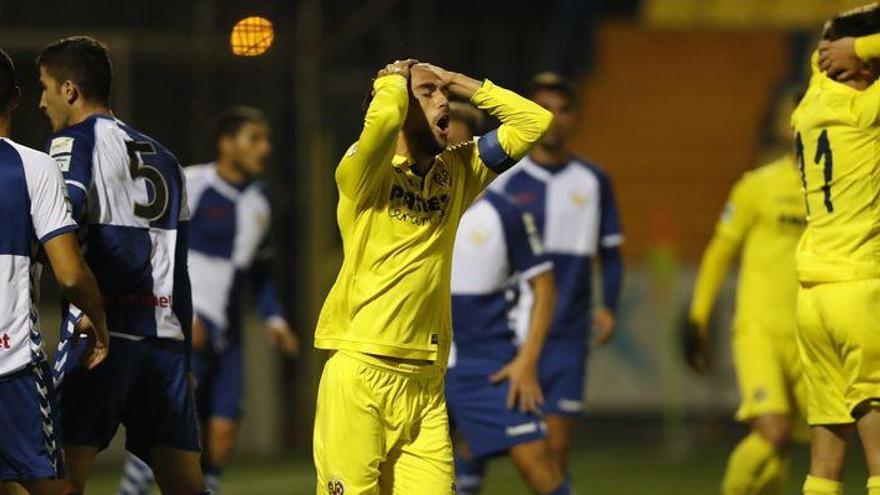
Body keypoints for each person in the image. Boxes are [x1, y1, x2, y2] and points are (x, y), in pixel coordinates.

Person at [312, 59, 552, 493]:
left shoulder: (457, 171)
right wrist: (391, 83)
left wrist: (457, 81)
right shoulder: (365, 171)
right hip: (361, 370)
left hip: (425, 382)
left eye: (445, 93)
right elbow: (383, 122)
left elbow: (534, 121)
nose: (445, 101)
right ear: (400, 105)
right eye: (429, 93)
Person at [37, 36, 206, 494]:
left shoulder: (71, 143)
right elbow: (180, 267)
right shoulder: (166, 158)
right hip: (164, 341)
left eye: (46, 87)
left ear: (69, 89)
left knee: (58, 481)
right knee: (185, 485)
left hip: (101, 336)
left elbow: (58, 222)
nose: (41, 100)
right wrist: (184, 351)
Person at [118, 106, 299, 495]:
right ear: (226, 144)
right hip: (189, 323)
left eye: (267, 140)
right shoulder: (192, 182)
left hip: (229, 333)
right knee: (168, 421)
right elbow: (157, 247)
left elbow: (259, 272)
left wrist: (274, 319)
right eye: (255, 139)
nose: (265, 148)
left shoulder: (259, 202)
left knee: (223, 430)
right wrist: (179, 311)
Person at [490, 72, 624, 475]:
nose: (554, 118)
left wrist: (609, 306)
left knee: (556, 445)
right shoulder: (503, 179)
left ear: (574, 118)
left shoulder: (594, 180)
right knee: (476, 442)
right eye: (544, 109)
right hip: (507, 333)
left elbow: (611, 252)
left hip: (567, 332)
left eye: (563, 110)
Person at [685, 88, 807, 495]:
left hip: (816, 334)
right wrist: (698, 317)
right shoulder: (758, 186)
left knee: (787, 442)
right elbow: (720, 252)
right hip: (760, 329)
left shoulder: (840, 192)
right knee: (773, 430)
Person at [0, 46, 108, 495]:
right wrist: (99, 319)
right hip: (11, 367)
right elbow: (69, 272)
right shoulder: (32, 166)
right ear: (16, 98)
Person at [789, 6, 880, 495]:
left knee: (823, 464)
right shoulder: (867, 111)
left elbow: (829, 40)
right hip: (861, 289)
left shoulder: (810, 101)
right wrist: (862, 46)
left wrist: (844, 42)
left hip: (812, 295)